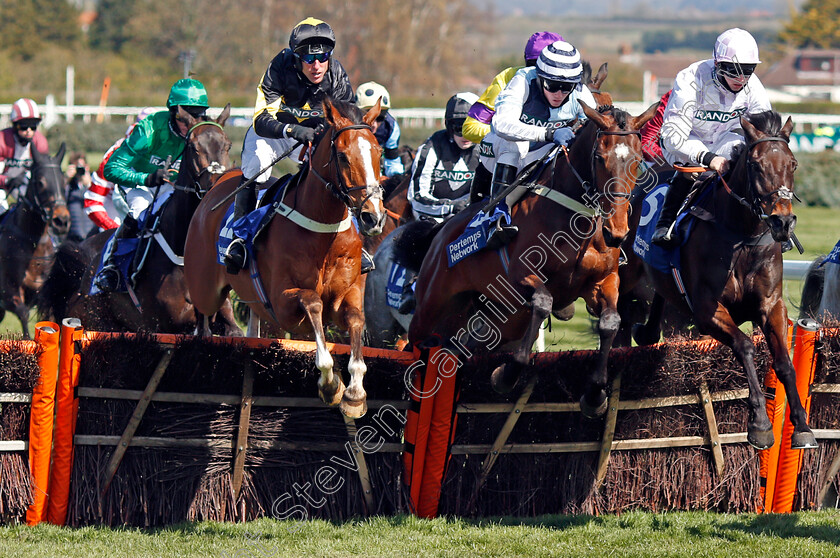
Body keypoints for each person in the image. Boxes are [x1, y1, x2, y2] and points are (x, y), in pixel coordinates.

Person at [224, 17, 355, 275]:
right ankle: (239, 239)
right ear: (296, 58)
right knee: (257, 168)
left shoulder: (337, 75)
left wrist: (320, 134)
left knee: (341, 168)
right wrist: (293, 129)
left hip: (312, 136)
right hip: (274, 133)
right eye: (309, 59)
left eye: (324, 57)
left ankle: (353, 240)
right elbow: (261, 120)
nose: (317, 66)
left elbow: (347, 123)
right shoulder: (279, 67)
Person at [651, 28, 770, 248]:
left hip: (723, 138)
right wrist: (708, 158)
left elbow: (763, 134)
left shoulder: (753, 87)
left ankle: (771, 221)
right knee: (691, 166)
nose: (740, 78)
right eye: (733, 71)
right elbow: (672, 137)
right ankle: (664, 223)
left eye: (747, 70)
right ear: (717, 64)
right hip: (685, 139)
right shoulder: (690, 79)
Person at [93, 79, 211, 292]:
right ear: (174, 113)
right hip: (138, 183)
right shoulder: (149, 129)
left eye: (199, 115)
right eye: (187, 117)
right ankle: (111, 267)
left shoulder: (202, 132)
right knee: (140, 209)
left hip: (171, 186)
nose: (193, 123)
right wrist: (145, 179)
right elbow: (111, 169)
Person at [478, 40, 597, 248]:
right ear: (540, 78)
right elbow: (501, 124)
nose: (560, 94)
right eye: (553, 86)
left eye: (566, 88)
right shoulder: (522, 81)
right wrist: (548, 133)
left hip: (542, 153)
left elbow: (594, 128)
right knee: (513, 146)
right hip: (499, 150)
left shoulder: (581, 92)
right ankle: (497, 214)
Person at [465, 32, 561, 203]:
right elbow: (470, 127)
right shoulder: (509, 78)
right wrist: (517, 133)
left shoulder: (572, 88)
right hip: (504, 157)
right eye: (535, 65)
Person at [408, 92, 480, 222]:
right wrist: (450, 208)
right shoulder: (432, 145)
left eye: (471, 128)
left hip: (469, 219)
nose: (466, 135)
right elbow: (416, 198)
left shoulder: (486, 149)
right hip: (432, 219)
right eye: (459, 128)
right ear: (449, 126)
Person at [84, 107, 156, 232]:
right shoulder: (115, 154)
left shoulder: (171, 151)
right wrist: (115, 230)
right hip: (116, 218)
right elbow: (93, 200)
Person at [0, 98, 49, 214]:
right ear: (15, 125)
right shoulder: (2, 140)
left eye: (33, 126)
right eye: (23, 126)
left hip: (25, 184)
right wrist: (7, 180)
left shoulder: (40, 142)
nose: (29, 131)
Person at [355, 81, 404, 177]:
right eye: (370, 117)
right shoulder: (348, 127)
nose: (374, 125)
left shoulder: (391, 127)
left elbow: (392, 162)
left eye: (380, 118)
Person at [65, 152, 95, 242]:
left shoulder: (95, 182)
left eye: (82, 167)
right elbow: (60, 201)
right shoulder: (68, 185)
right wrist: (66, 180)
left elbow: (102, 202)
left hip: (92, 236)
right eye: (77, 167)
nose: (80, 170)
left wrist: (90, 185)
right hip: (73, 238)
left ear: (87, 167)